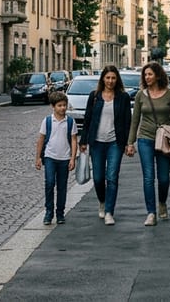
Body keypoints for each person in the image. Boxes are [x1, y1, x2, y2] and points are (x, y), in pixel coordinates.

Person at [126, 61, 170, 226]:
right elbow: (135, 120)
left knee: (164, 178)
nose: (147, 77)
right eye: (145, 74)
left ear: (157, 75)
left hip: (164, 139)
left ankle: (162, 202)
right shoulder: (140, 95)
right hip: (145, 138)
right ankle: (151, 212)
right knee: (148, 177)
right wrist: (130, 143)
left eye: (150, 74)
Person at [78, 65, 132, 226]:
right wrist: (83, 140)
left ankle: (109, 211)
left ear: (117, 80)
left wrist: (129, 142)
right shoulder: (94, 96)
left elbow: (127, 121)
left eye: (113, 78)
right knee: (99, 178)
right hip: (96, 142)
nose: (110, 81)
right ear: (103, 78)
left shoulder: (122, 97)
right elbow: (87, 119)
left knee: (112, 177)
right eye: (108, 78)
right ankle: (102, 201)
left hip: (115, 142)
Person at [35, 90, 77, 225]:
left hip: (64, 158)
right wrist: (38, 157)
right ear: (53, 107)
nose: (62, 108)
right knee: (49, 183)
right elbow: (41, 139)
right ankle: (48, 212)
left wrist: (72, 158)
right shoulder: (47, 121)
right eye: (59, 105)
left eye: (64, 105)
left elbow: (74, 140)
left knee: (62, 186)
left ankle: (60, 213)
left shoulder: (70, 122)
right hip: (50, 157)